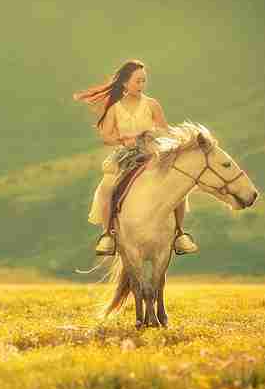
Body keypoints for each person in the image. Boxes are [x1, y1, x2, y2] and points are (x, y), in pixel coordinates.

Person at [73, 59, 198, 256]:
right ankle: (108, 235)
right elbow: (106, 136)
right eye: (137, 81)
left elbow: (164, 130)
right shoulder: (115, 108)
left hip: (151, 153)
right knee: (106, 187)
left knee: (178, 185)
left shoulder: (152, 104)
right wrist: (123, 139)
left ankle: (180, 234)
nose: (141, 85)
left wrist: (151, 137)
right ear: (125, 83)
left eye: (143, 81)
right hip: (126, 155)